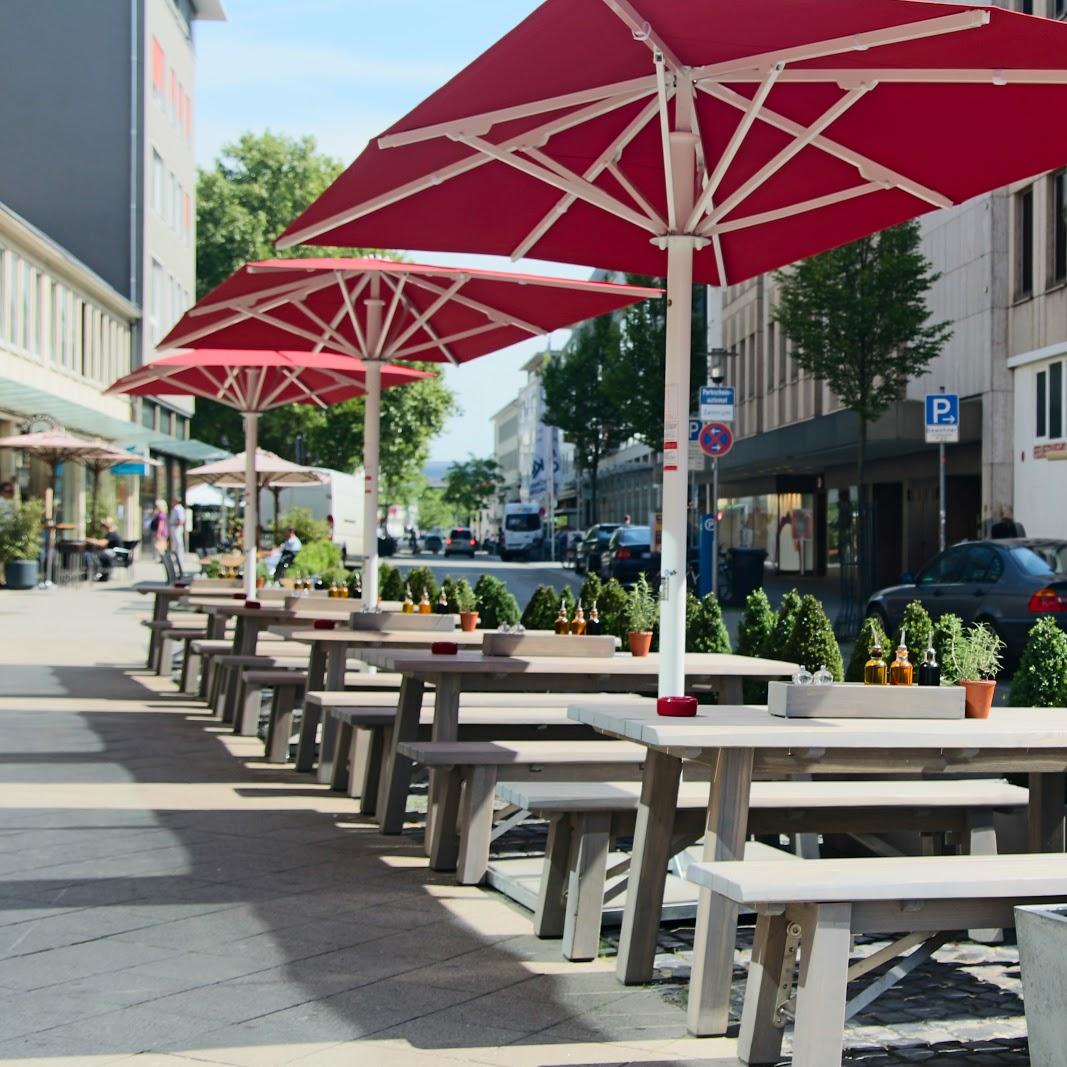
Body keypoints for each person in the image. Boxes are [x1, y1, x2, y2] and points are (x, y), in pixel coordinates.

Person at [168, 496, 186, 569]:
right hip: (174, 527)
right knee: (175, 544)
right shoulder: (176, 508)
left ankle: (179, 559)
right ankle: (176, 558)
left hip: (176, 527)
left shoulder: (178, 508)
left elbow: (181, 519)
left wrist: (177, 525)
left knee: (178, 544)